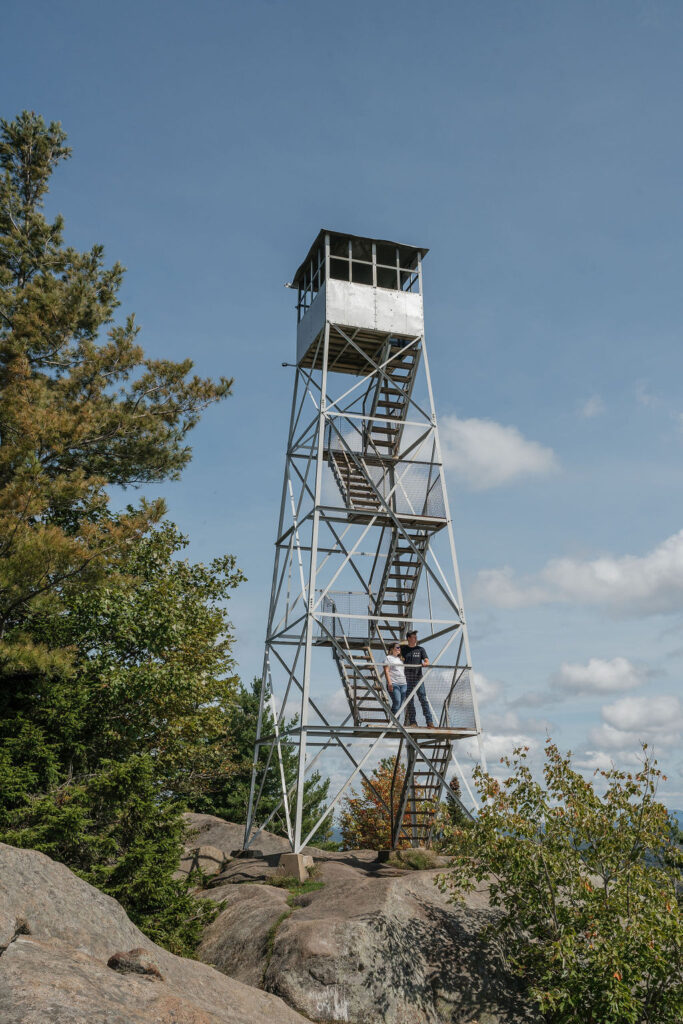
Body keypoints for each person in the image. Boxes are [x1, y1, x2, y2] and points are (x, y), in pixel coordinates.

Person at [401, 629, 435, 728]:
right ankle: (413, 722)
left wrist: (426, 663)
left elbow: (426, 660)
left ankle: (429, 721)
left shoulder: (420, 649)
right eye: (413, 637)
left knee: (423, 699)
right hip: (407, 679)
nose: (415, 638)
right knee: (409, 701)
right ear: (408, 638)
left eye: (416, 637)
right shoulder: (403, 650)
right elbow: (394, 650)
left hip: (418, 678)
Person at [383, 642, 407, 717]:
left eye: (399, 648)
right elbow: (386, 671)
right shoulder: (388, 658)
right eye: (397, 647)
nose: (399, 649)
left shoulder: (401, 659)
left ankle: (396, 721)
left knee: (399, 704)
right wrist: (389, 683)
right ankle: (393, 721)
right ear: (392, 649)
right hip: (394, 683)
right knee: (397, 701)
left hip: (403, 684)